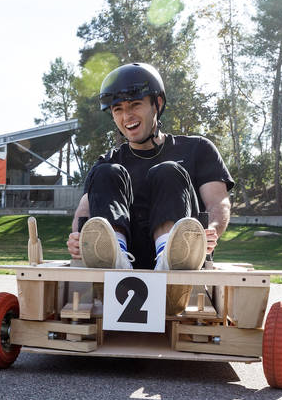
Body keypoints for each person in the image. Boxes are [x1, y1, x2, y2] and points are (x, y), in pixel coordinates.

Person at [67, 62, 233, 273]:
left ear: (157, 103)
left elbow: (218, 202)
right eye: (118, 109)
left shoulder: (198, 149)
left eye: (135, 104)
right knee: (107, 171)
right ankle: (115, 256)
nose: (127, 116)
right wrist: (79, 238)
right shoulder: (107, 160)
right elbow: (84, 210)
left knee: (168, 171)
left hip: (184, 255)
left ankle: (169, 257)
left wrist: (212, 231)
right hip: (127, 259)